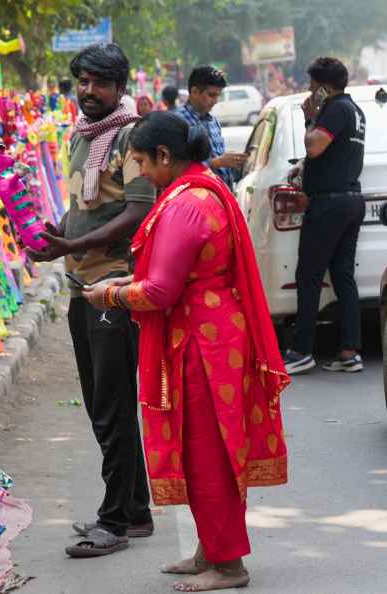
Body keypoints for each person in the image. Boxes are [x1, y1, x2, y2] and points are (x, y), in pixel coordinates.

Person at [83, 111, 289, 591]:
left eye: (140, 162)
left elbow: (159, 293)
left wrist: (110, 295)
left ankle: (229, 565)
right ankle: (209, 550)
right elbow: (170, 278)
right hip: (209, 333)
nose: (139, 172)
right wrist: (123, 281)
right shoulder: (200, 188)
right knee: (206, 450)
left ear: (164, 156)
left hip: (204, 344)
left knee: (208, 453)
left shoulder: (186, 205)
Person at [29, 43, 157, 558]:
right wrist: (54, 238)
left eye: (99, 82)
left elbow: (137, 211)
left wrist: (76, 244)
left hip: (116, 287)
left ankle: (113, 523)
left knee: (113, 405)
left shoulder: (132, 136)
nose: (87, 91)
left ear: (120, 87)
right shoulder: (81, 137)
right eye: (81, 81)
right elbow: (86, 207)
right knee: (102, 402)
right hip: (83, 286)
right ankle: (137, 510)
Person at [283, 57, 367, 375]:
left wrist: (310, 118)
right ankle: (350, 351)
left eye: (311, 84)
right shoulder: (355, 110)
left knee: (309, 276)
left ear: (322, 88)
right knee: (343, 276)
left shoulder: (334, 109)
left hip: (329, 204)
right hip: (350, 200)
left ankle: (301, 350)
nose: (308, 89)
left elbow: (315, 146)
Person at [176, 66, 247, 188]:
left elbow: (219, 160)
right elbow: (178, 166)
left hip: (219, 194)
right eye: (211, 95)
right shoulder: (177, 121)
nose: (215, 101)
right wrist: (218, 162)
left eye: (218, 95)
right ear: (194, 92)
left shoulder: (213, 122)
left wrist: (233, 162)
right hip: (195, 196)